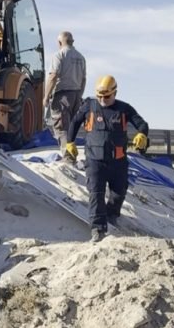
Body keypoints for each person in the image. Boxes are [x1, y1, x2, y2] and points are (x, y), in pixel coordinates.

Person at [66, 75, 149, 242]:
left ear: (114, 93)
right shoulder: (89, 106)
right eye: (100, 96)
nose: (103, 100)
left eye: (106, 96)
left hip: (118, 161)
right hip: (94, 159)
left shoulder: (124, 109)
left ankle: (111, 214)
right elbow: (74, 122)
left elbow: (142, 124)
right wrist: (70, 142)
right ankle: (98, 229)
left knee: (119, 193)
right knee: (96, 193)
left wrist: (142, 134)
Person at [45, 31, 86, 154]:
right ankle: (71, 153)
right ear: (72, 42)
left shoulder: (59, 55)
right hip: (76, 95)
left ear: (59, 42)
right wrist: (79, 96)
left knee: (62, 129)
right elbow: (83, 79)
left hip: (62, 96)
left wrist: (46, 96)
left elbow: (53, 76)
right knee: (72, 128)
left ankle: (67, 156)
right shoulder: (81, 57)